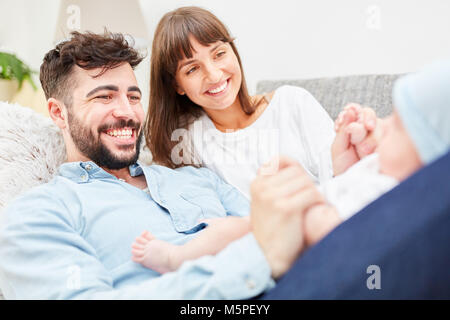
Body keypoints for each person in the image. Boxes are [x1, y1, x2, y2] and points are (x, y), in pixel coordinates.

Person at [0, 30, 324, 299]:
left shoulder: (197, 178)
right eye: (104, 97)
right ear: (58, 113)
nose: (127, 112)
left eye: (134, 96)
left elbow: (276, 228)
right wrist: (259, 261)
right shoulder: (38, 212)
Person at [145, 6, 380, 198]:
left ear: (233, 51)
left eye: (219, 54)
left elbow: (344, 183)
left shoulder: (292, 103)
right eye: (193, 68)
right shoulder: (187, 141)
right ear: (177, 85)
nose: (214, 75)